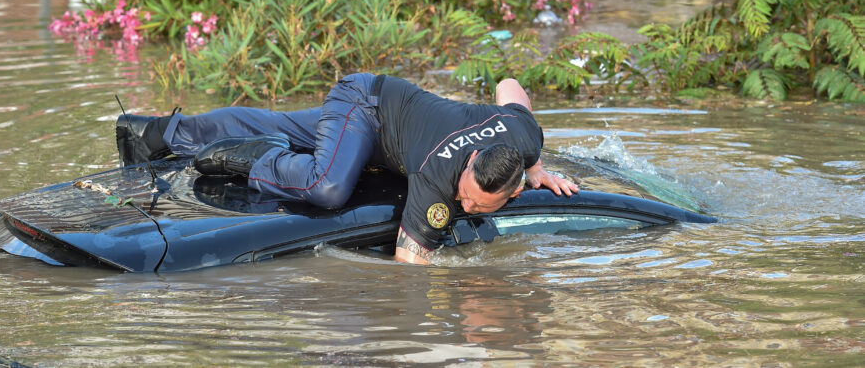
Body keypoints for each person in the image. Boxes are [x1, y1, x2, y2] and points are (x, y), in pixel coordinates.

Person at [116, 73, 578, 265]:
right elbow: (410, 266)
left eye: (476, 206)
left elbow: (509, 85)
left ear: (512, 191)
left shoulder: (523, 135)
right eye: (465, 194)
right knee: (328, 184)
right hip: (365, 102)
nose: (463, 204)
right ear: (472, 161)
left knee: (279, 126)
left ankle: (151, 135)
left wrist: (535, 166)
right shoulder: (438, 181)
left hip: (385, 129)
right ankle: (254, 158)